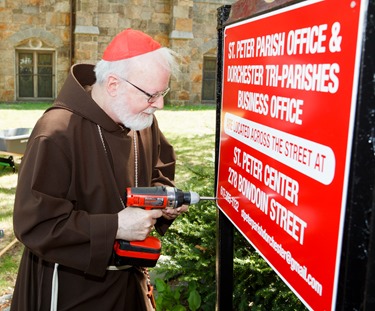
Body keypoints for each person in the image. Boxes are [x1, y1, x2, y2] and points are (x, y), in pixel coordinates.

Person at [11, 29, 187, 311]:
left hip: (130, 281)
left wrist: (163, 197)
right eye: (152, 95)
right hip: (72, 288)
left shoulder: (141, 120)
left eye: (163, 93)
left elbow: (159, 169)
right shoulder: (56, 133)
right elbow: (36, 225)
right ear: (114, 84)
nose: (160, 105)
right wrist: (116, 226)